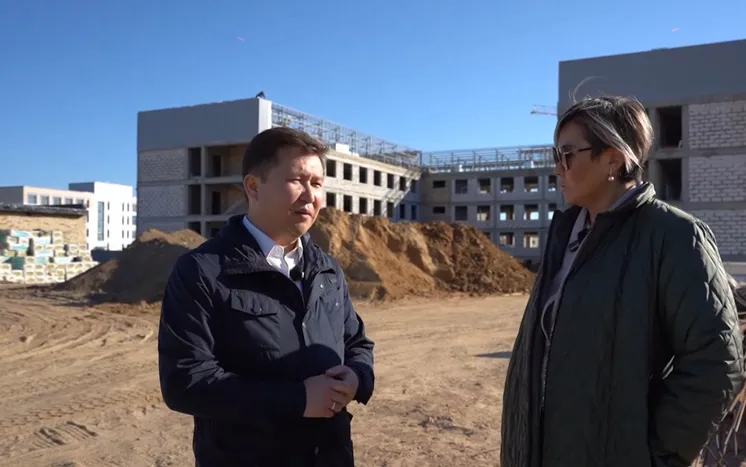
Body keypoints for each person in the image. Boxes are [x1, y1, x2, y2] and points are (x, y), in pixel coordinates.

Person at [500, 96, 745, 467]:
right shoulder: (564, 235)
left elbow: (716, 360)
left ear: (613, 159)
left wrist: (655, 454)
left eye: (566, 155)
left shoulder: (675, 237)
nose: (557, 168)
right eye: (555, 155)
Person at [158, 127, 375, 466]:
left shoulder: (327, 270)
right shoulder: (203, 271)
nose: (310, 196)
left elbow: (356, 343)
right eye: (296, 181)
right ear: (253, 186)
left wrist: (357, 377)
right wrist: (298, 399)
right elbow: (186, 381)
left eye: (317, 183)